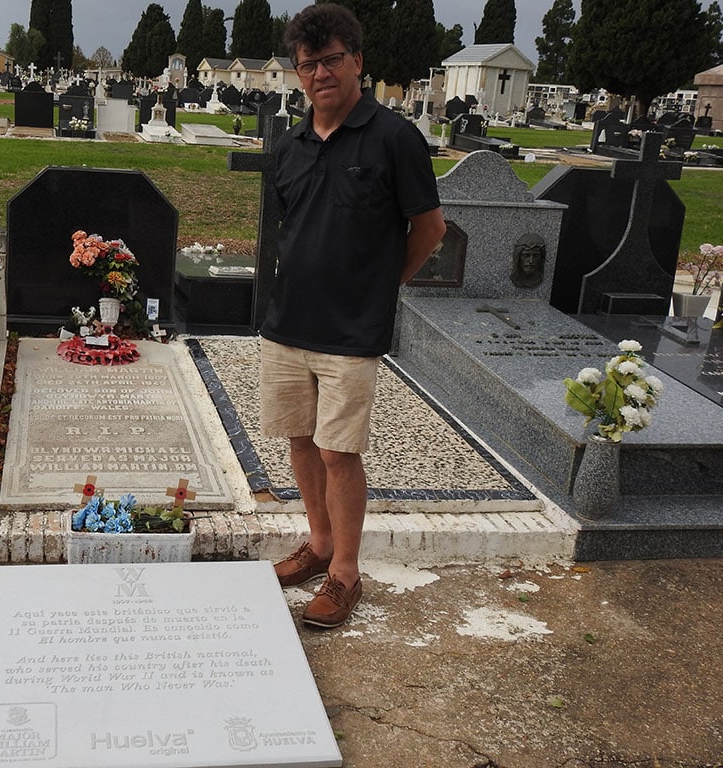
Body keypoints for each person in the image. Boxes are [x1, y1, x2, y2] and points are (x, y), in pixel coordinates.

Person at [261, 4, 446, 628]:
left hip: (349, 333)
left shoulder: (395, 139)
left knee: (340, 452)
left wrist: (380, 286)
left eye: (332, 59)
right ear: (297, 72)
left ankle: (345, 574)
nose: (320, 74)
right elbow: (287, 230)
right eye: (308, 64)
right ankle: (317, 546)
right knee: (300, 440)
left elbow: (430, 228)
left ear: (358, 61)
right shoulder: (288, 146)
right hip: (288, 324)